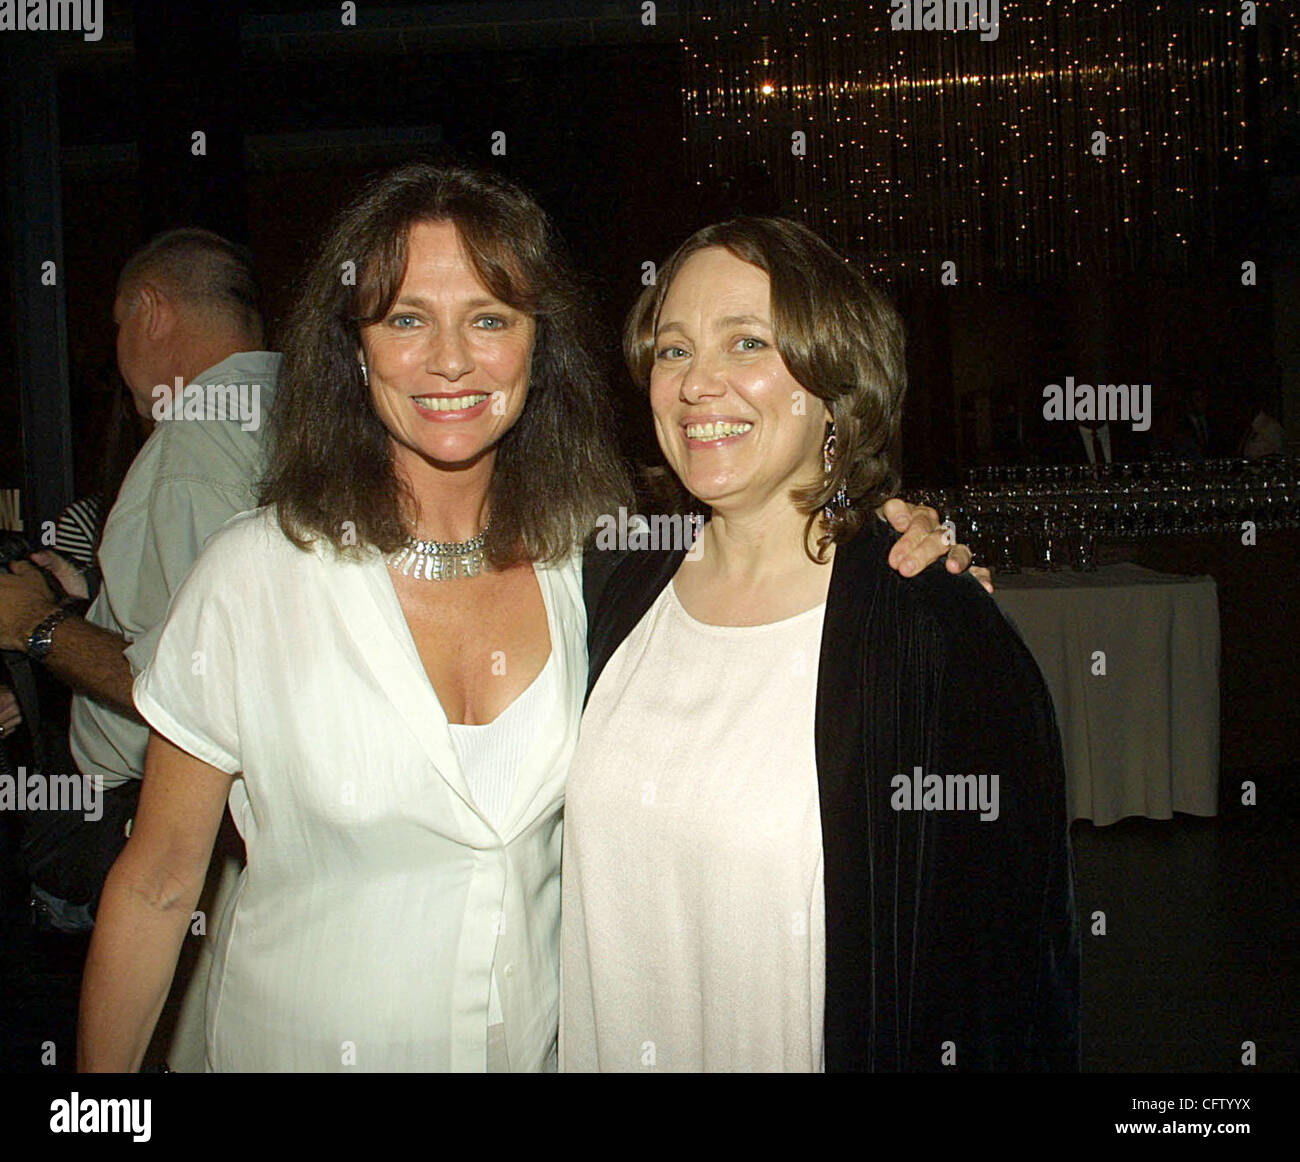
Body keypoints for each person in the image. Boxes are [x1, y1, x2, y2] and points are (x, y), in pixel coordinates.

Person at [78, 164, 976, 1073]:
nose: (451, 359)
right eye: (405, 319)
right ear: (355, 350)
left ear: (537, 347)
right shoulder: (254, 577)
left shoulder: (593, 570)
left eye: (490, 318)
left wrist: (899, 552)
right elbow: (156, 887)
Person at [560, 217, 1079, 1072]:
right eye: (674, 350)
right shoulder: (611, 586)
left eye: (747, 343)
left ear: (836, 384)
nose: (698, 385)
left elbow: (1008, 984)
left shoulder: (932, 635)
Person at [0, 227, 278, 1067]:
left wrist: (38, 628)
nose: (118, 366)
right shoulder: (305, 409)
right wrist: (88, 600)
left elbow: (191, 684)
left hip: (191, 841)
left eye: (119, 329)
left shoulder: (195, 441)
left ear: (151, 312)